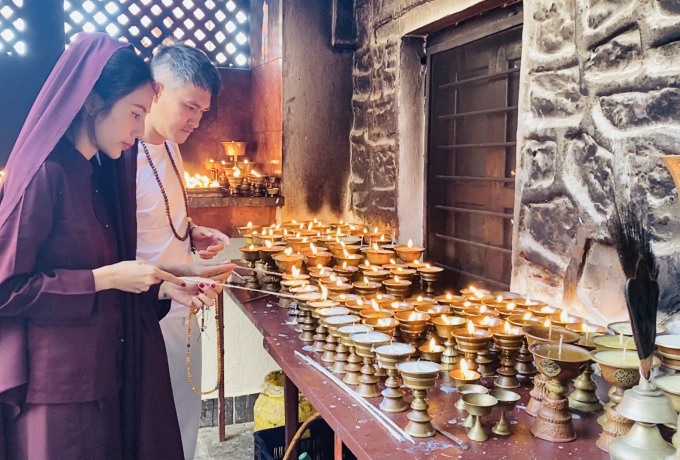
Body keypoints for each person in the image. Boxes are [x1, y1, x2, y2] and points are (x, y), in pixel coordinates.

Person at [0, 33, 215, 460]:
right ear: (94, 103)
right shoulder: (47, 175)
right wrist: (104, 278)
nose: (138, 131)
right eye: (135, 114)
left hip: (102, 372)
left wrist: (168, 284)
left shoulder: (97, 175)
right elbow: (8, 290)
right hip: (58, 386)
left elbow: (110, 268)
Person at [130, 43, 233, 460]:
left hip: (183, 302)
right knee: (153, 425)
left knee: (185, 414)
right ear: (156, 91)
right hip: (146, 307)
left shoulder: (171, 146)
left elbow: (161, 218)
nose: (195, 121)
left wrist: (192, 232)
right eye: (189, 106)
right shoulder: (123, 151)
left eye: (202, 112)